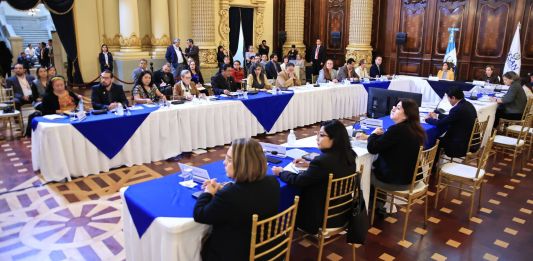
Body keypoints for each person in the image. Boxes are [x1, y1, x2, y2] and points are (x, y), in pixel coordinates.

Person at [194, 138, 280, 261]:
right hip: (268, 248)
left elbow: (200, 215)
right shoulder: (273, 182)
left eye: (229, 160)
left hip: (235, 254)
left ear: (243, 164)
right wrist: (222, 189)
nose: (224, 162)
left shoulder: (229, 195)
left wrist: (207, 193)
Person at [272, 120, 357, 234]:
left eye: (321, 135)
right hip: (343, 212)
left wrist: (281, 172)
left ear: (335, 139)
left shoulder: (322, 162)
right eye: (317, 134)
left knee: (288, 196)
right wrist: (310, 164)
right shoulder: (349, 154)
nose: (317, 139)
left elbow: (299, 181)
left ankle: (278, 233)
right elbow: (331, 168)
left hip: (320, 217)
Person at [357, 99, 426, 191]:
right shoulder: (413, 128)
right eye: (395, 106)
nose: (393, 109)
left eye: (398, 108)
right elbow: (388, 141)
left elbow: (372, 148)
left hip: (398, 182)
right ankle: (378, 203)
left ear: (406, 116)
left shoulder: (397, 130)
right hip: (412, 178)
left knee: (361, 174)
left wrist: (373, 134)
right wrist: (369, 137)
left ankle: (372, 204)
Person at [425, 87, 477, 158]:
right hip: (470, 141)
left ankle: (433, 166)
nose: (449, 101)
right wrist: (437, 115)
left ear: (453, 98)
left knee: (434, 140)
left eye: (448, 99)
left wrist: (427, 119)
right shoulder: (468, 104)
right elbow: (451, 117)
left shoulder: (457, 109)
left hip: (460, 145)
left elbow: (440, 123)